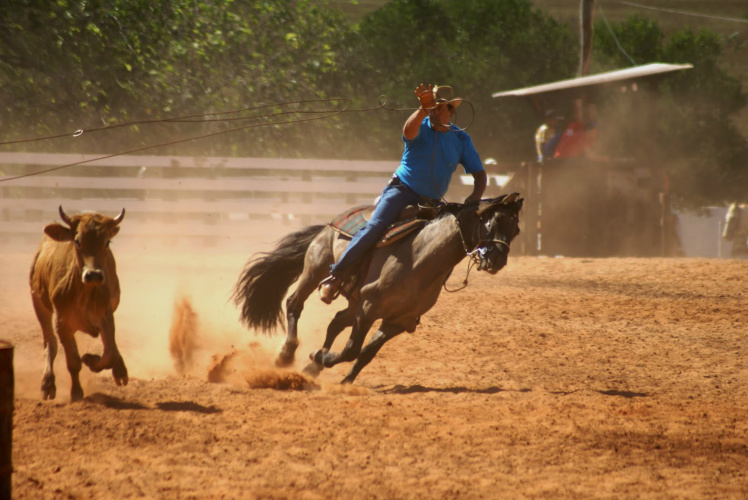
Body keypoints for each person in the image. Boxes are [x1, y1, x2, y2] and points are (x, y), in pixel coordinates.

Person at [318, 83, 487, 303]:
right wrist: (421, 110)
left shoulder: (461, 138)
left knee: (446, 242)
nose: (435, 112)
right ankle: (335, 276)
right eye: (432, 108)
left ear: (451, 111)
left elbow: (480, 175)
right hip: (402, 190)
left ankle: (421, 296)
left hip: (433, 201)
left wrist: (474, 199)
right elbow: (408, 130)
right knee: (374, 228)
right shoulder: (421, 126)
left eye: (440, 108)